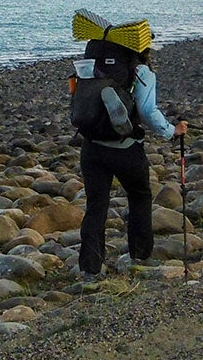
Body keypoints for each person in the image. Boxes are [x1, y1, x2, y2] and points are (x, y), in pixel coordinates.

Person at [78, 46, 188, 276]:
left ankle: (90, 270)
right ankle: (140, 257)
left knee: (96, 205)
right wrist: (172, 131)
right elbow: (147, 111)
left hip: (91, 146)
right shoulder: (142, 72)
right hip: (125, 148)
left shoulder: (91, 67)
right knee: (140, 196)